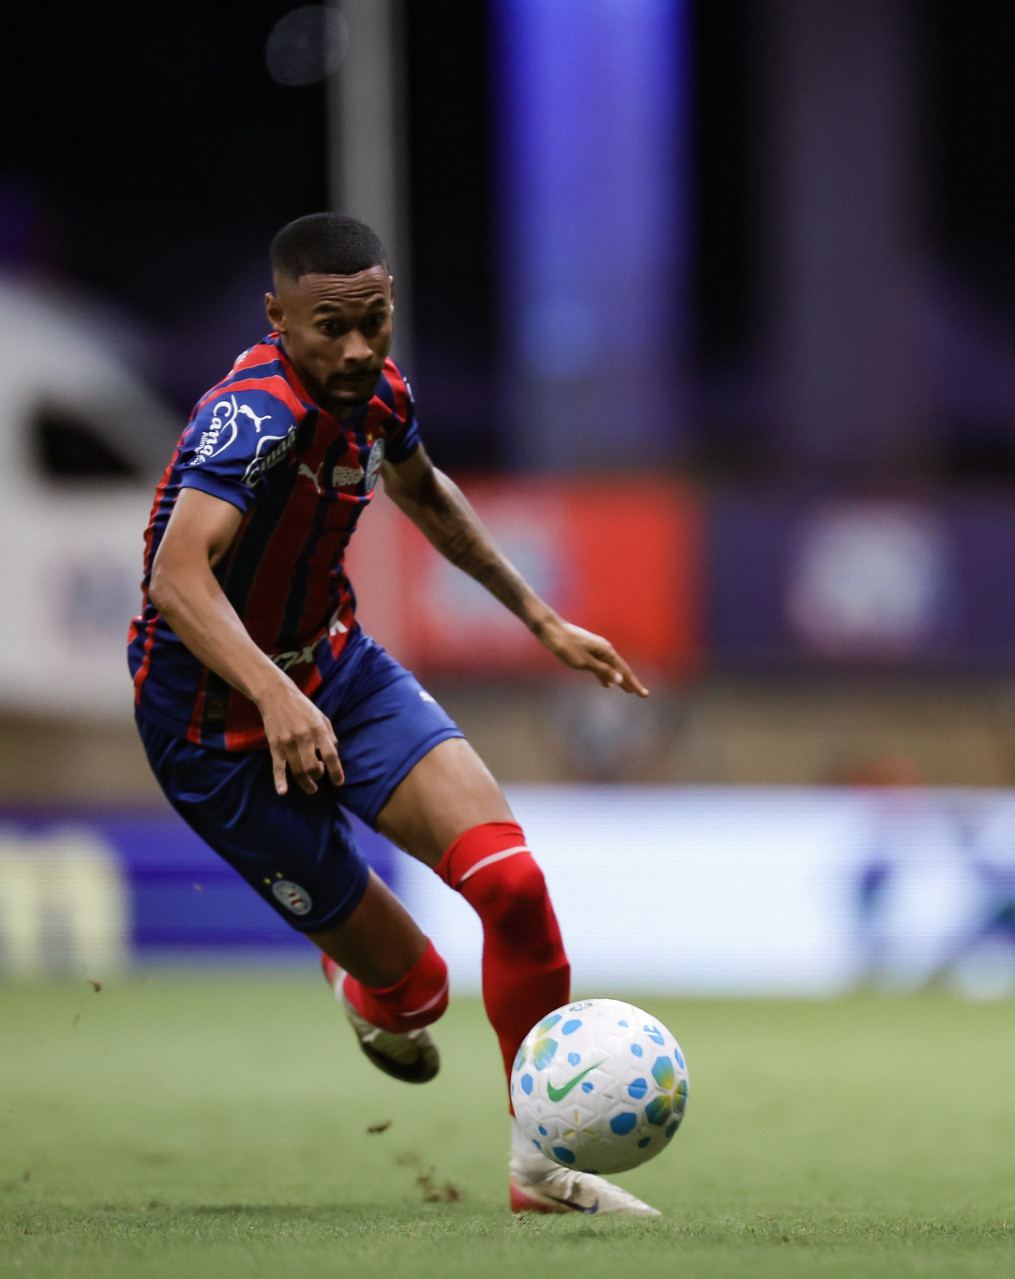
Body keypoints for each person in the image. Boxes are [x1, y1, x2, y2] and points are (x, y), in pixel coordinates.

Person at [130, 213, 658, 1216]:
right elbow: (177, 577)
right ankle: (357, 977)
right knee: (416, 995)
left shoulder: (379, 395)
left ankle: (540, 1168)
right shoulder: (254, 418)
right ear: (277, 316)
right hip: (211, 729)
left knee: (512, 885)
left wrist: (543, 620)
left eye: (376, 320)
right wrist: (273, 695)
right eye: (333, 326)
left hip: (338, 671)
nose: (360, 347)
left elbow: (426, 492)